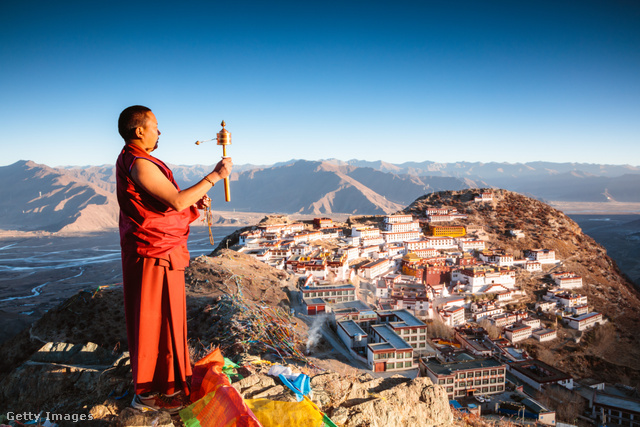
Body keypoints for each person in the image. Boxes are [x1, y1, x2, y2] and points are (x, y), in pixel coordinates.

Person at [115, 105, 232, 413]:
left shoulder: (139, 161)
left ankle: (167, 386)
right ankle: (150, 393)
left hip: (160, 250)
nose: (159, 131)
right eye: (155, 126)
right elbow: (176, 200)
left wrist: (195, 203)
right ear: (139, 131)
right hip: (150, 254)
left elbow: (166, 208)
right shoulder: (139, 164)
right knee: (153, 322)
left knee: (167, 321)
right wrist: (214, 176)